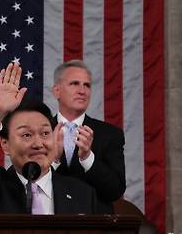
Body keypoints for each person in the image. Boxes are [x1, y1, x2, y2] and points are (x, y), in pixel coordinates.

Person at [0, 63, 101, 214]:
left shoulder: (83, 194)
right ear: (5, 144)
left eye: (45, 133)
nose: (38, 144)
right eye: (26, 135)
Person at [51, 60, 126, 213]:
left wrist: (87, 159)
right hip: (49, 225)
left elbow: (115, 191)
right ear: (57, 91)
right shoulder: (39, 131)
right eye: (74, 83)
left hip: (95, 227)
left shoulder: (110, 134)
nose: (82, 91)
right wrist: (53, 160)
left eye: (87, 85)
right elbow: (26, 184)